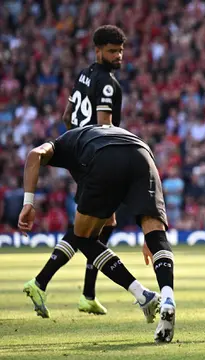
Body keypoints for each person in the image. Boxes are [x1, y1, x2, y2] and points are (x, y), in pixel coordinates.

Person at [20, 125, 176, 343]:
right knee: (156, 236)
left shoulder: (61, 145)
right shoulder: (94, 133)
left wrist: (28, 203)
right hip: (142, 152)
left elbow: (35, 154)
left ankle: (143, 295)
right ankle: (168, 298)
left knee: (83, 237)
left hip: (105, 158)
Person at [29, 25, 126, 315]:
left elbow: (67, 116)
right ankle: (40, 281)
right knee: (86, 230)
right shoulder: (108, 84)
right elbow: (104, 128)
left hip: (79, 152)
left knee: (106, 224)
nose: (118, 55)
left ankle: (87, 293)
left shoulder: (83, 75)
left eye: (120, 50)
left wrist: (74, 147)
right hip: (96, 158)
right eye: (112, 50)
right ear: (98, 50)